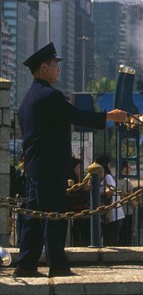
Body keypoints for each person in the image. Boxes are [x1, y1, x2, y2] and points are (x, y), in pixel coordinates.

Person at [13, 42, 128, 278]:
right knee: (55, 217)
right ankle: (58, 265)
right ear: (44, 68)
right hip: (50, 169)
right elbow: (76, 116)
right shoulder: (50, 96)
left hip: (35, 169)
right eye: (55, 65)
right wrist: (110, 116)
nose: (58, 70)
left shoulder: (28, 100)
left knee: (34, 218)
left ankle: (26, 264)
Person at [96, 155, 125, 246]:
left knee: (110, 239)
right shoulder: (100, 178)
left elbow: (111, 190)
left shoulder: (108, 177)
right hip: (109, 215)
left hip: (114, 214)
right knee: (107, 238)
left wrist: (99, 192)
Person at [68, 157, 90, 247]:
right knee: (77, 232)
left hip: (84, 211)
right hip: (76, 212)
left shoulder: (81, 179)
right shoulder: (71, 180)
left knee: (85, 232)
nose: (80, 169)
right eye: (78, 167)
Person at [117, 162, 137, 246]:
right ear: (124, 169)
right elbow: (128, 194)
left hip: (124, 210)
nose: (130, 169)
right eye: (129, 167)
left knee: (123, 233)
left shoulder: (123, 180)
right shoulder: (124, 180)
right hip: (125, 210)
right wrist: (132, 201)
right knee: (126, 233)